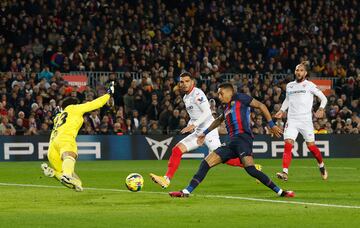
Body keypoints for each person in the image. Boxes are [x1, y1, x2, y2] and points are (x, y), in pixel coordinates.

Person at [169, 83, 294, 198]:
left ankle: (281, 192)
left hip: (243, 139)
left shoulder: (240, 98)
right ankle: (186, 191)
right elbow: (218, 120)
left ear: (230, 92)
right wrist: (204, 133)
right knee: (206, 163)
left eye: (221, 93)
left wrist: (271, 124)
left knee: (251, 170)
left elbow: (261, 105)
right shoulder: (227, 107)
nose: (219, 96)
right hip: (232, 142)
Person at [150, 72, 254, 189]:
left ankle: (250, 166)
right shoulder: (185, 97)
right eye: (182, 82)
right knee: (176, 150)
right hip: (198, 131)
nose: (184, 84)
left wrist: (193, 125)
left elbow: (207, 112)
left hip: (208, 131)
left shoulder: (197, 93)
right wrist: (191, 124)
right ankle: (166, 179)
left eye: (187, 81)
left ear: (192, 82)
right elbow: (196, 115)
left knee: (222, 158)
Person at [40, 82, 115, 191]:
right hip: (65, 139)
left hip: (52, 146)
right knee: (70, 158)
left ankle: (54, 173)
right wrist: (108, 95)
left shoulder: (59, 116)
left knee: (77, 184)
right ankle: (66, 175)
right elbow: (94, 104)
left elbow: (55, 117)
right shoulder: (73, 108)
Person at [274, 61, 328, 181]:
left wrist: (321, 108)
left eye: (301, 70)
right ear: (295, 72)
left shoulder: (310, 85)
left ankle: (321, 165)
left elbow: (323, 98)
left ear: (305, 73)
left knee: (311, 147)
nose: (299, 72)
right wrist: (282, 110)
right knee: (288, 144)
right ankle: (285, 172)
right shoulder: (290, 86)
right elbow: (287, 100)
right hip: (292, 120)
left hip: (305, 121)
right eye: (297, 70)